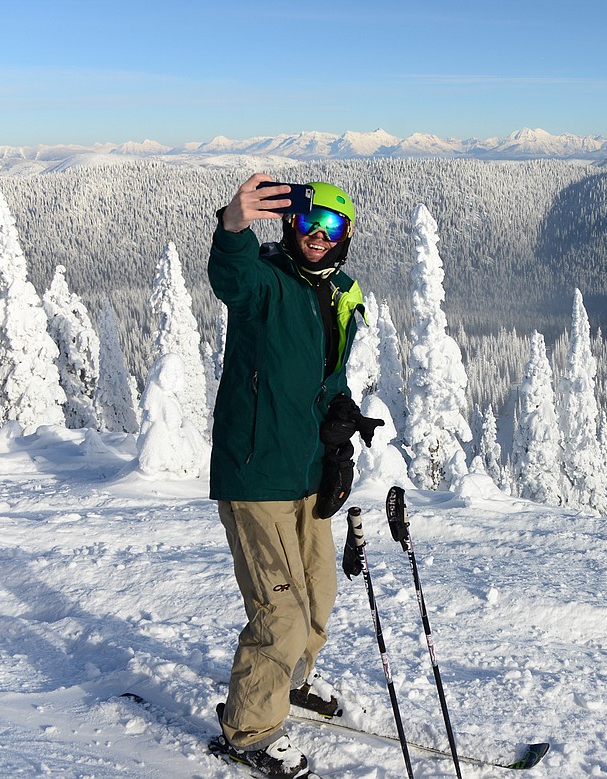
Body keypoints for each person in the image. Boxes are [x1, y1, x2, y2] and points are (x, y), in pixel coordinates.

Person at [208, 175, 365, 779]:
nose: (317, 237)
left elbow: (328, 376)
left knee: (319, 594)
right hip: (257, 475)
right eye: (307, 224)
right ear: (288, 228)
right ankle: (249, 730)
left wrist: (339, 422)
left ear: (345, 235)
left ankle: (291, 683)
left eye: (329, 228)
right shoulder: (266, 284)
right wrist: (233, 226)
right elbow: (233, 278)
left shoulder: (340, 293)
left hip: (304, 473)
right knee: (281, 615)